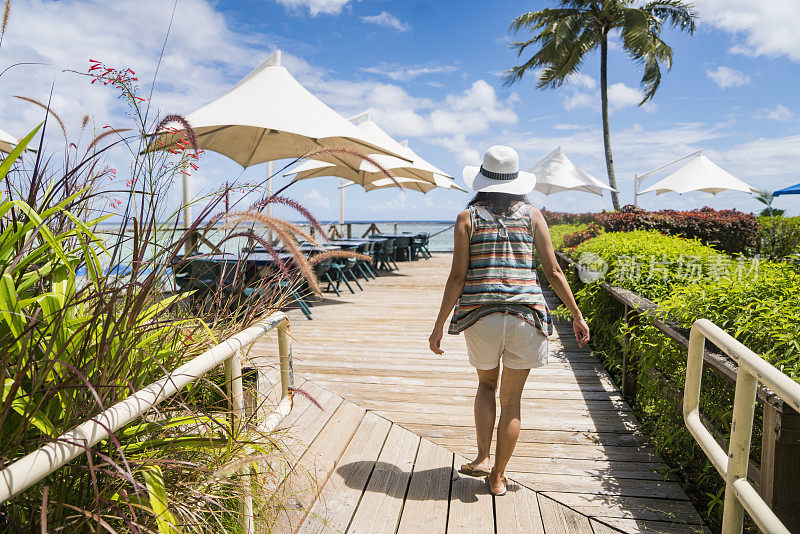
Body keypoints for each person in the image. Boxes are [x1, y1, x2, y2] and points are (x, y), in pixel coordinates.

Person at [428, 145, 590, 496]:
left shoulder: (466, 218)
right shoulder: (533, 216)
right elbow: (554, 271)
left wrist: (439, 324)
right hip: (526, 317)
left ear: (482, 181)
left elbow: (457, 277)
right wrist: (577, 315)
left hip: (481, 316)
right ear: (516, 181)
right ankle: (498, 478)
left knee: (487, 386)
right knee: (512, 402)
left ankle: (483, 457)